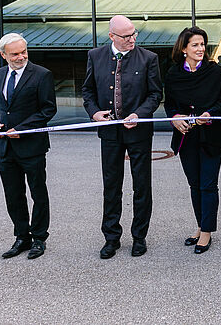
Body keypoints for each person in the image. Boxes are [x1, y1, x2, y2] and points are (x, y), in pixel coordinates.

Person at [82, 15, 162, 259]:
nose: (132, 39)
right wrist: (94, 112)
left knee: (141, 186)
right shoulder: (95, 56)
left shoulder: (149, 58)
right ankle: (111, 238)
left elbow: (155, 94)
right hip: (109, 132)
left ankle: (139, 237)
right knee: (112, 185)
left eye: (134, 34)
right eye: (126, 36)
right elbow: (87, 90)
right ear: (112, 37)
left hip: (138, 132)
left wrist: (139, 113)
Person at [0, 33, 57, 259]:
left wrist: (23, 128)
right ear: (3, 55)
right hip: (5, 148)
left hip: (32, 147)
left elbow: (48, 110)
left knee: (38, 192)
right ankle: (21, 237)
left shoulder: (42, 75)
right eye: (15, 54)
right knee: (13, 194)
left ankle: (39, 238)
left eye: (23, 52)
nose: (21, 57)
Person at [164, 27, 221, 254]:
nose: (201, 49)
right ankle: (200, 225)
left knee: (208, 184)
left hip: (212, 137)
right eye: (195, 45)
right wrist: (174, 117)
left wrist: (210, 114)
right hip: (186, 138)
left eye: (203, 44)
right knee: (195, 184)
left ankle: (206, 232)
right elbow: (170, 105)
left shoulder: (214, 72)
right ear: (184, 48)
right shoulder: (174, 74)